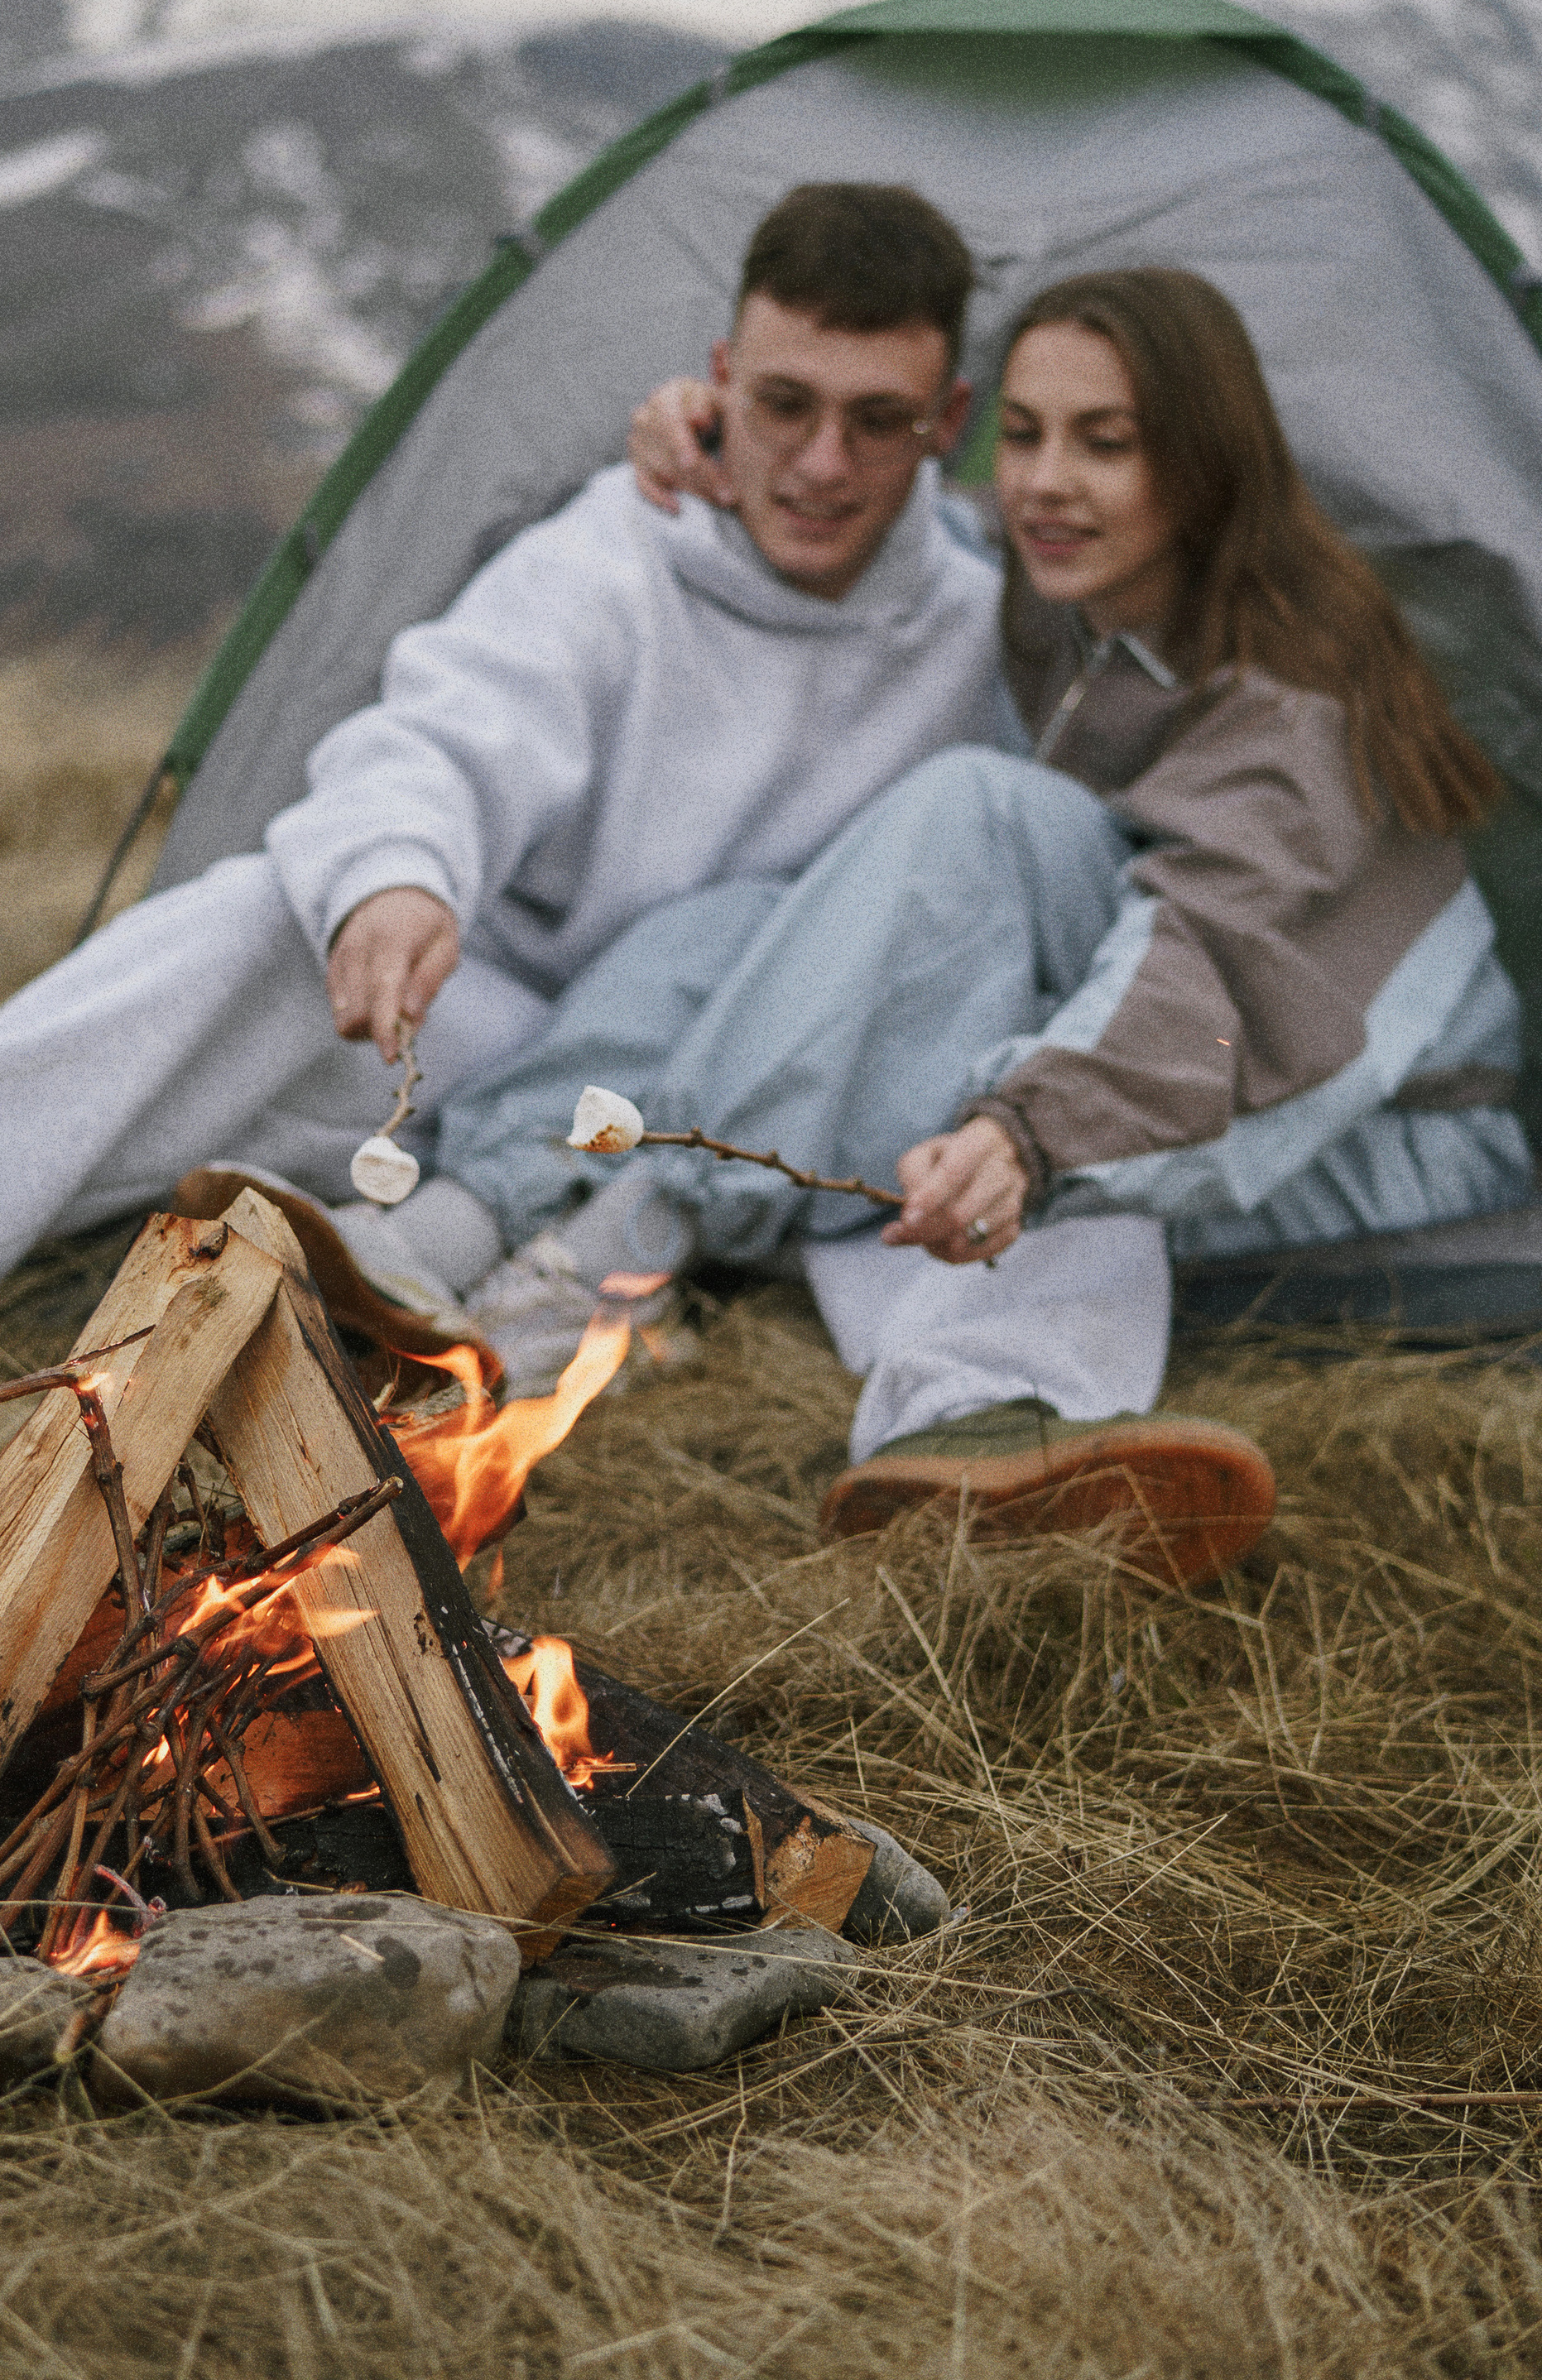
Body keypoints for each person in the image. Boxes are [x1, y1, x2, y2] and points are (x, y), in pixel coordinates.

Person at [0, 184, 1012, 1376]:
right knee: (263, 921)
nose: (821, 462)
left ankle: (209, 1273)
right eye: (785, 405)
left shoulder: (996, 636)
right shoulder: (620, 548)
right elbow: (442, 726)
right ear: (717, 383)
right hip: (501, 1038)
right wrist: (401, 879)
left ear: (946, 429)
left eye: (877, 421)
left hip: (745, 1093)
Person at [354, 264, 1526, 1576]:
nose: (1042, 481)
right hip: (1151, 1038)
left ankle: (619, 1253)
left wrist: (1028, 1128)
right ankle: (457, 1217)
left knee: (975, 813)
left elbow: (1204, 963)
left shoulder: (1298, 697)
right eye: (1021, 434)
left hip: (1358, 1133)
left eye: (1106, 442)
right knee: (744, 919)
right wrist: (715, 428)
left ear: (1203, 462)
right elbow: (913, 520)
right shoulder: (1078, 601)